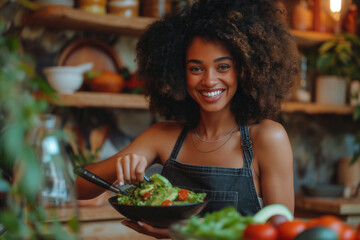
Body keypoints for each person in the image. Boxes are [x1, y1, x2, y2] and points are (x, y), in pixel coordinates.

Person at [75, 0, 299, 238]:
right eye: (196, 69)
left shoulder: (267, 138)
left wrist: (181, 233)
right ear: (178, 73)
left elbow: (282, 233)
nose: (209, 80)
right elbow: (77, 188)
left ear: (244, 70)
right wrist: (121, 164)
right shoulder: (162, 136)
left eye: (223, 67)